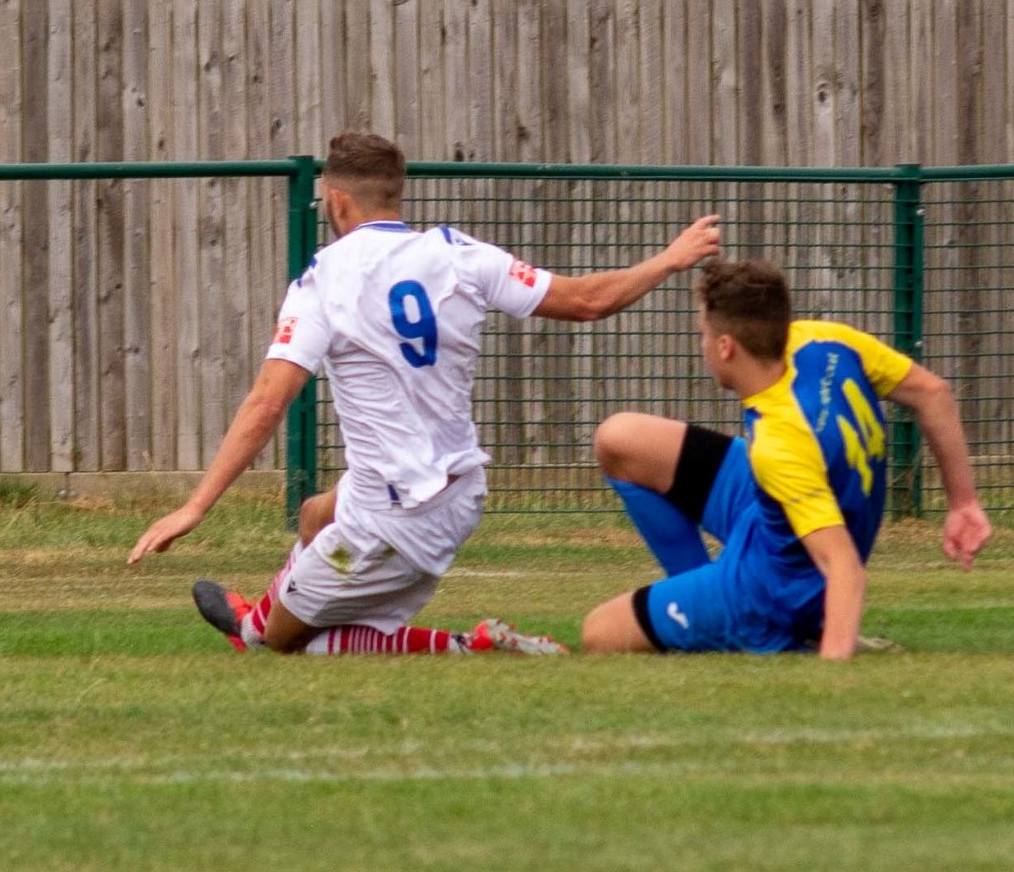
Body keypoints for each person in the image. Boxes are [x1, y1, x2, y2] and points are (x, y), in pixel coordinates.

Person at [127, 131, 723, 656]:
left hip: (397, 518)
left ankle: (461, 644)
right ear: (396, 195)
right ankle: (282, 595)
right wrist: (669, 260)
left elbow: (267, 402)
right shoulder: (459, 254)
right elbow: (588, 300)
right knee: (315, 513)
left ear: (335, 201)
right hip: (459, 493)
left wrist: (196, 505)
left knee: (281, 644)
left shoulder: (324, 278)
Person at [581, 260, 993, 659]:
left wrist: (833, 674)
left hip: (774, 591)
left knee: (599, 632)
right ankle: (697, 590)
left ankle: (731, 612)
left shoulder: (781, 443)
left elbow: (844, 567)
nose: (701, 344)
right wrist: (963, 504)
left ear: (726, 348)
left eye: (703, 334)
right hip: (773, 514)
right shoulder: (823, 340)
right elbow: (933, 393)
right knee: (620, 438)